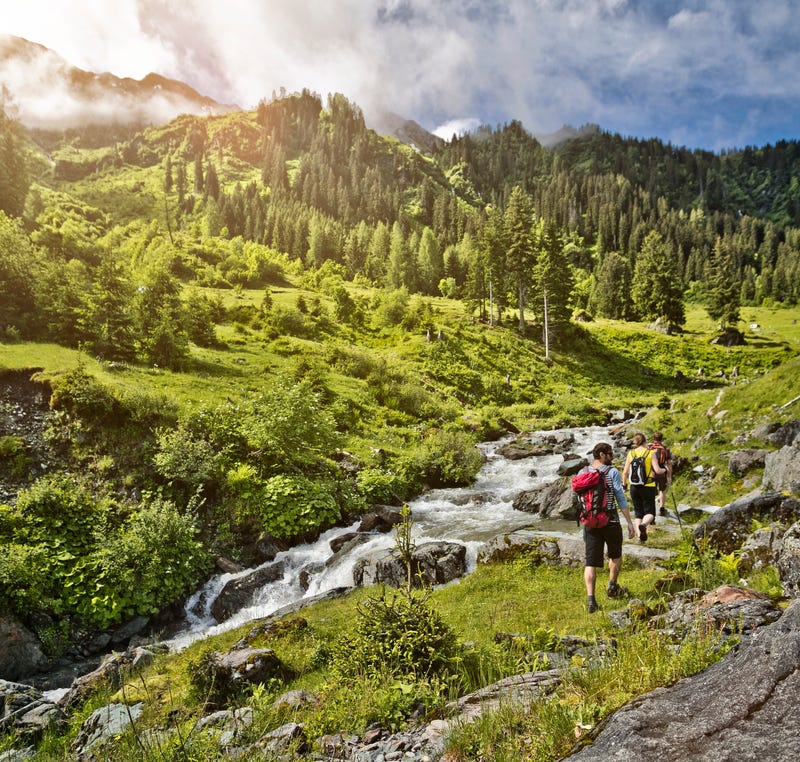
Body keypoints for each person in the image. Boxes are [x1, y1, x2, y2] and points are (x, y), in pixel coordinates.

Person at [581, 442, 636, 613]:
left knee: (590, 562)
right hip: (610, 520)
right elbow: (620, 497)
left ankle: (591, 600)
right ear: (603, 454)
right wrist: (629, 522)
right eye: (610, 454)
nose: (612, 457)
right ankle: (612, 586)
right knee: (615, 554)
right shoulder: (612, 472)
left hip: (590, 521)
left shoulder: (582, 472)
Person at [622, 432, 667, 543]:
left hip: (634, 487)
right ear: (645, 441)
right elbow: (657, 470)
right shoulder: (650, 453)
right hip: (648, 486)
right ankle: (644, 525)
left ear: (635, 442)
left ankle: (639, 537)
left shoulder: (631, 453)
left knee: (638, 513)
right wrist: (665, 470)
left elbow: (625, 472)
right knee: (650, 512)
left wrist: (624, 484)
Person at [649, 431, 673, 516]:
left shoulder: (649, 448)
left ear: (654, 438)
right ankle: (662, 509)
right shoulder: (666, 449)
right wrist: (669, 477)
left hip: (651, 473)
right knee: (662, 490)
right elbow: (669, 464)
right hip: (662, 472)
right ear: (661, 439)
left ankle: (650, 511)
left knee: (651, 491)